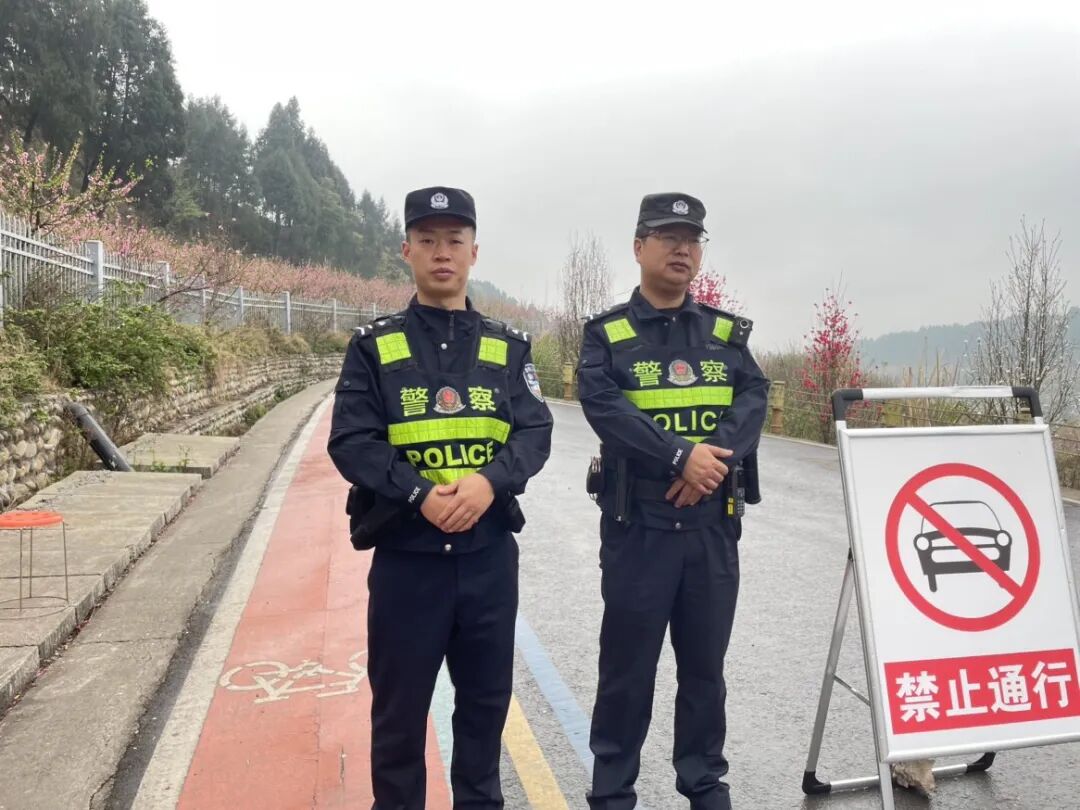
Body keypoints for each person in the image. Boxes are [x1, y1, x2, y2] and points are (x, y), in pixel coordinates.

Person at [327, 186, 553, 810]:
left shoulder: (508, 347)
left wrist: (488, 483)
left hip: (487, 561)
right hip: (408, 564)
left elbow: (535, 432)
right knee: (399, 719)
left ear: (474, 252)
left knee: (484, 712)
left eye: (455, 240)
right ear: (407, 251)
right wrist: (420, 494)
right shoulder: (374, 346)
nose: (442, 252)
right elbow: (351, 441)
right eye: (427, 240)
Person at [578, 192, 769, 810]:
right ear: (639, 248)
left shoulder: (725, 333)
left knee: (705, 671)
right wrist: (679, 456)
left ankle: (704, 783)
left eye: (691, 240)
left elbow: (754, 397)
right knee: (627, 672)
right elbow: (605, 407)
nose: (682, 249)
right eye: (668, 237)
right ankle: (612, 791)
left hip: (712, 528)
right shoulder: (607, 335)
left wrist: (712, 461)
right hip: (640, 528)